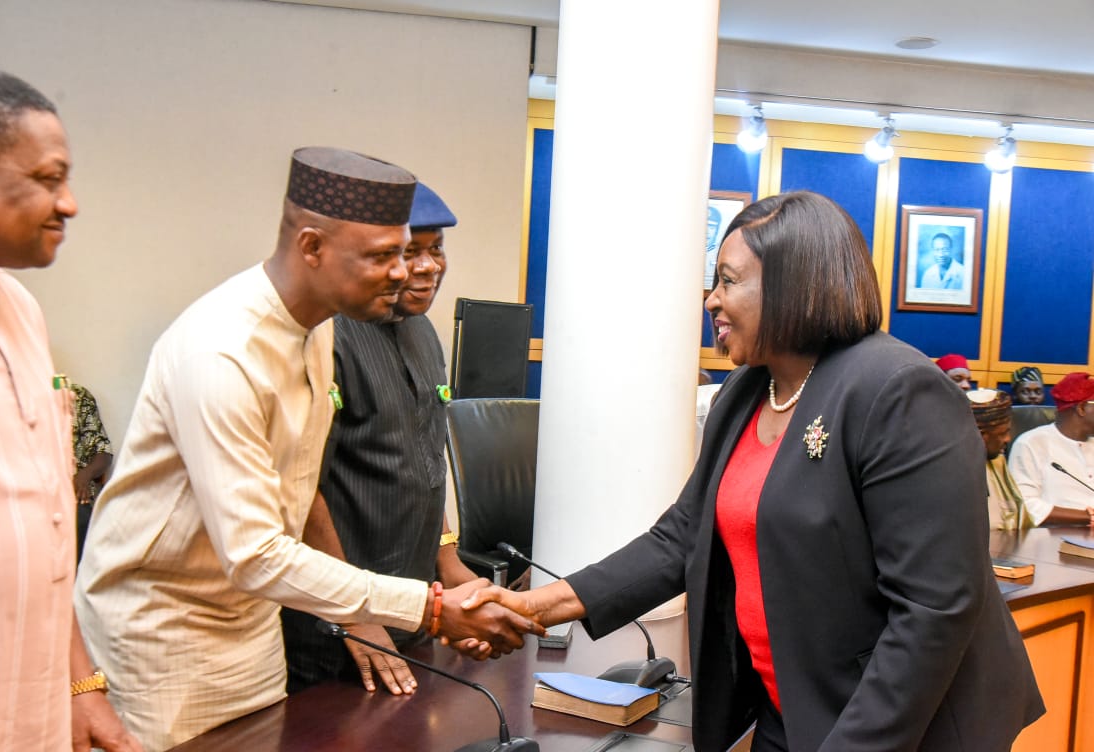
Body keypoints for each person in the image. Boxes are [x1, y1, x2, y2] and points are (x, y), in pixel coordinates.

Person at [462, 191, 1043, 751]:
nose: (711, 300)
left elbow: (933, 610)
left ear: (796, 286)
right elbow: (682, 537)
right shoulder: (742, 392)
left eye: (729, 280)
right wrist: (536, 607)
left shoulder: (897, 390)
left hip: (903, 721)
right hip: (792, 705)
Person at [73, 149, 541, 751]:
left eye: (406, 253)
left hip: (255, 633)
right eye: (382, 256)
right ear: (312, 247)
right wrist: (426, 609)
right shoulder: (221, 352)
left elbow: (296, 488)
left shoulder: (316, 325)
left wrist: (440, 575)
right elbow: (254, 553)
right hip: (165, 641)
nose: (404, 273)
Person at [0, 64, 139, 751]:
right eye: (46, 178)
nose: (69, 204)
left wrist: (81, 687)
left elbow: (41, 529)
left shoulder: (23, 311)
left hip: (32, 713)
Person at [281, 182, 478, 696]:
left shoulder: (423, 331)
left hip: (411, 607)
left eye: (436, 250)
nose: (428, 266)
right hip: (334, 632)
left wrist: (449, 560)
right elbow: (301, 495)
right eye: (409, 252)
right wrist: (354, 615)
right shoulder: (327, 338)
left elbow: (425, 458)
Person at [1008, 371, 1094, 527]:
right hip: (1051, 540)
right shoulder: (1031, 443)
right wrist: (1086, 517)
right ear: (1081, 408)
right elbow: (1023, 504)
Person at [967, 388, 1030, 530]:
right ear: (980, 435)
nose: (1008, 439)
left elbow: (1020, 521)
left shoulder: (998, 462)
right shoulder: (950, 469)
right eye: (1003, 433)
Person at [71, 381, 113, 561]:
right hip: (33, 493)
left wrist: (85, 475)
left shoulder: (77, 396)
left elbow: (103, 452)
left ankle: (74, 585)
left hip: (75, 490)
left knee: (79, 519)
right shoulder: (12, 401)